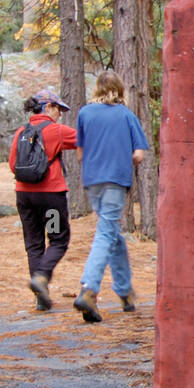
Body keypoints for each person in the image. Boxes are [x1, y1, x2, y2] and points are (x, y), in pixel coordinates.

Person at [73, 70, 150, 323]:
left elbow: (80, 153)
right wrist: (123, 159)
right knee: (106, 233)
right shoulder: (126, 115)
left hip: (92, 180)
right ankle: (89, 289)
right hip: (116, 180)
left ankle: (125, 291)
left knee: (113, 234)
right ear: (120, 90)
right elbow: (139, 154)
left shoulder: (84, 113)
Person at [8, 89, 77, 311]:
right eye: (58, 109)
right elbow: (84, 139)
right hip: (50, 198)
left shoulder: (20, 132)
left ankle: (41, 299)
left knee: (34, 244)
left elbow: (12, 165)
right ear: (47, 107)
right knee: (57, 240)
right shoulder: (57, 131)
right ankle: (41, 277)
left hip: (24, 196)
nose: (60, 114)